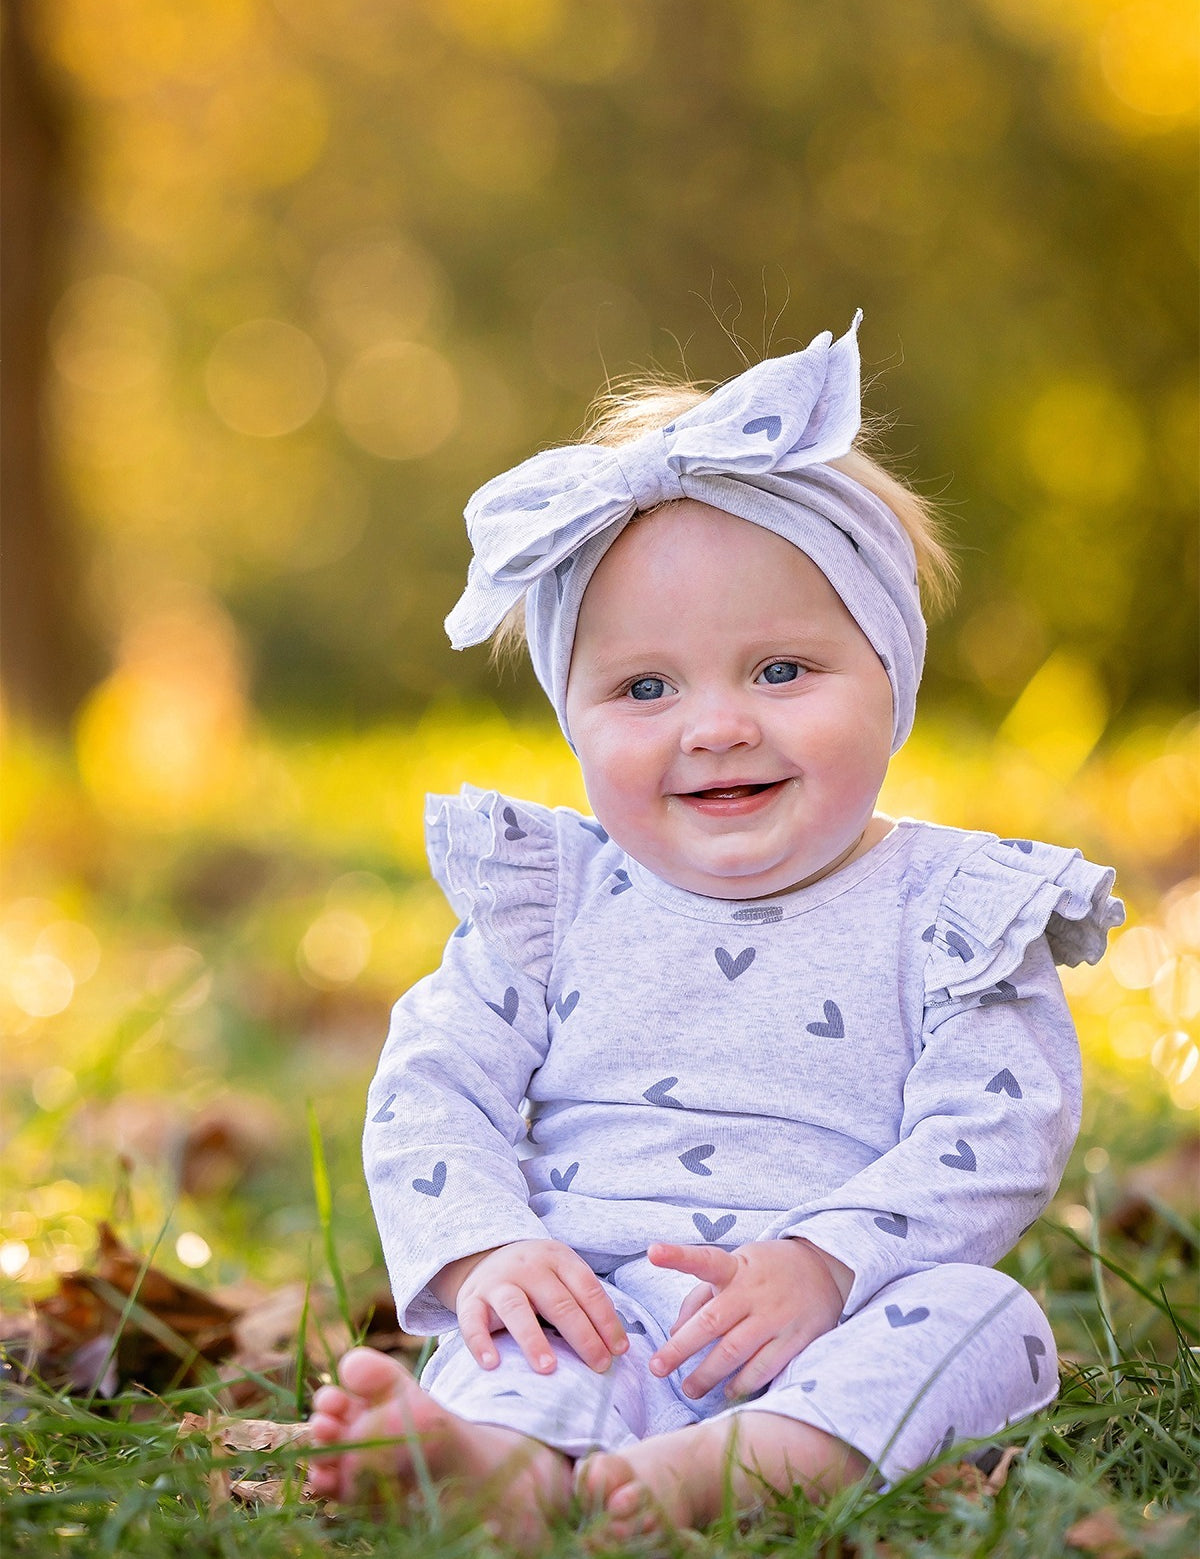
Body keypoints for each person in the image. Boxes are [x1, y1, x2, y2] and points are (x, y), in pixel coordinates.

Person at [306, 315, 1123, 1548]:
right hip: (588, 1296)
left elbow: (998, 1126)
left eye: (783, 670)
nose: (718, 725)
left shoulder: (948, 908)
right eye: (645, 687)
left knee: (980, 1318)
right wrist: (487, 1252)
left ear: (889, 678)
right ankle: (500, 1467)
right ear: (573, 721)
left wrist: (826, 1259)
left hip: (842, 1308)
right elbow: (435, 1085)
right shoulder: (554, 902)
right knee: (523, 1339)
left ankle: (743, 1463)